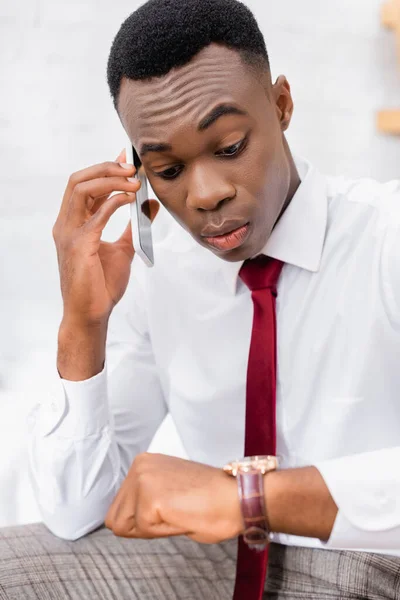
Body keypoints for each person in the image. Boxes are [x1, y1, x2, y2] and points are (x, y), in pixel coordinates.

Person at [4, 0, 399, 598]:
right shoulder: (158, 273)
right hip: (231, 562)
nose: (206, 195)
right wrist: (82, 326)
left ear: (282, 105)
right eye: (167, 168)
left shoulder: (386, 234)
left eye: (231, 146)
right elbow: (74, 513)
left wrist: (249, 498)